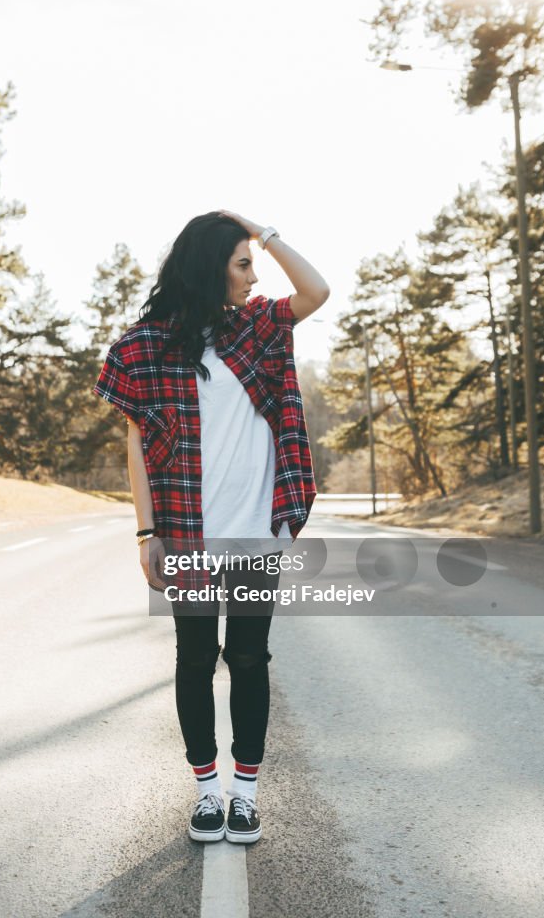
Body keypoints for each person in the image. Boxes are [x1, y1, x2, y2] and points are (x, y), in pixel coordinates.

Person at [93, 209, 329, 844]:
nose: (254, 278)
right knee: (195, 659)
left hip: (256, 530)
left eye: (253, 265)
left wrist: (264, 232)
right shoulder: (144, 348)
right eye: (242, 265)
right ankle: (205, 792)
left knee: (249, 658)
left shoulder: (258, 329)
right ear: (210, 268)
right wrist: (147, 534)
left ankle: (245, 794)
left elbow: (317, 291)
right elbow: (137, 449)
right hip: (188, 533)